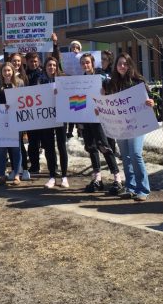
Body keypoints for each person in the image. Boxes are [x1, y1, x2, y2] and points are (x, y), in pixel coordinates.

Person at [104, 52, 155, 200]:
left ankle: (143, 189)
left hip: (137, 123)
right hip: (120, 125)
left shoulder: (138, 81)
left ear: (129, 65)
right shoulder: (112, 83)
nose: (122, 66)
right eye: (119, 63)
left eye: (125, 63)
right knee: (125, 156)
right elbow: (107, 101)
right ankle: (130, 187)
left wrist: (151, 102)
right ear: (116, 66)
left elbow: (152, 97)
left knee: (135, 154)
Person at [79, 52, 121, 192]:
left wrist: (105, 90)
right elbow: (76, 100)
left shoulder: (102, 76)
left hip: (100, 118)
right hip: (86, 118)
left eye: (88, 62)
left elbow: (112, 89)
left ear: (92, 63)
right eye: (83, 63)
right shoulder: (80, 80)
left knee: (104, 146)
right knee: (91, 147)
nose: (85, 65)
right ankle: (97, 179)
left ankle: (117, 179)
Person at [0, 62, 25, 185]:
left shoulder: (20, 83)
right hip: (1, 121)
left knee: (16, 149)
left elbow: (24, 101)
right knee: (1, 150)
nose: (7, 73)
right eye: (4, 71)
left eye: (9, 71)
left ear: (13, 71)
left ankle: (16, 174)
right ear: (1, 73)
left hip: (16, 120)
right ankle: (2, 174)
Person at [42, 56, 69, 188]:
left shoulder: (63, 79)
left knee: (61, 145)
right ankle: (52, 176)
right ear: (45, 67)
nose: (51, 67)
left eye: (53, 65)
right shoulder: (40, 80)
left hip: (62, 115)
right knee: (49, 147)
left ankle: (64, 176)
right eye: (49, 65)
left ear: (56, 66)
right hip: (46, 116)